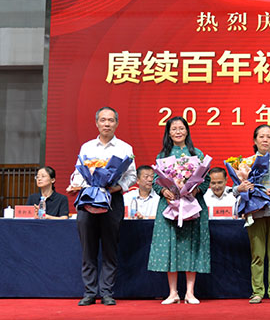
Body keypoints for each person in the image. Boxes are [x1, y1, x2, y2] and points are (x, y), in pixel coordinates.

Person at [67, 106, 136, 306]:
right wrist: (76, 185)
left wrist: (117, 187)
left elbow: (131, 176)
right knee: (88, 249)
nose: (107, 124)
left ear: (117, 123)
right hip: (88, 199)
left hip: (112, 200)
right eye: (103, 120)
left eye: (111, 120)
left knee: (110, 248)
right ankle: (89, 292)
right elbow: (79, 172)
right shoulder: (87, 147)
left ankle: (106, 292)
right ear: (97, 123)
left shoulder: (125, 148)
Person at [147, 116, 211, 305]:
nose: (178, 132)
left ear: (187, 131)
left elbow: (205, 179)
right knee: (171, 245)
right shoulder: (163, 155)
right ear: (168, 133)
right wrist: (164, 191)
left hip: (192, 205)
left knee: (191, 245)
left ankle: (190, 292)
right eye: (174, 129)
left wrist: (194, 190)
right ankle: (173, 292)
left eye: (181, 128)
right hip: (170, 206)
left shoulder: (196, 153)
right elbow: (156, 181)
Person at [234, 124, 270, 304]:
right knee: (257, 255)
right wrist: (241, 188)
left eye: (269, 136)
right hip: (255, 212)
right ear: (255, 140)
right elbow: (235, 190)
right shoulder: (245, 163)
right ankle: (257, 292)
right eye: (261, 136)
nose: (265, 140)